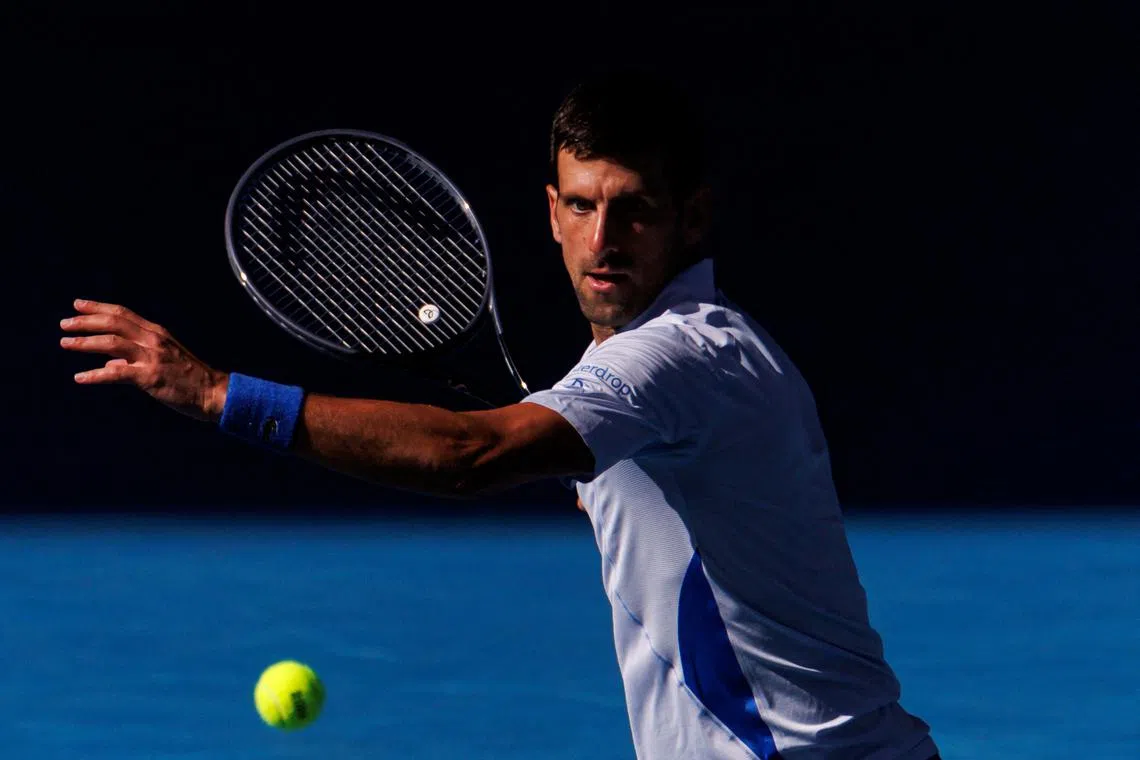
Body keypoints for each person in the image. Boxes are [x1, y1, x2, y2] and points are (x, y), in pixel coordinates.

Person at [60, 71, 940, 759]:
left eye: (634, 210)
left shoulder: (677, 358)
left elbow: (467, 454)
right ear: (551, 214)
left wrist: (222, 395)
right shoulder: (685, 359)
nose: (603, 241)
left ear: (692, 216)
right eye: (584, 206)